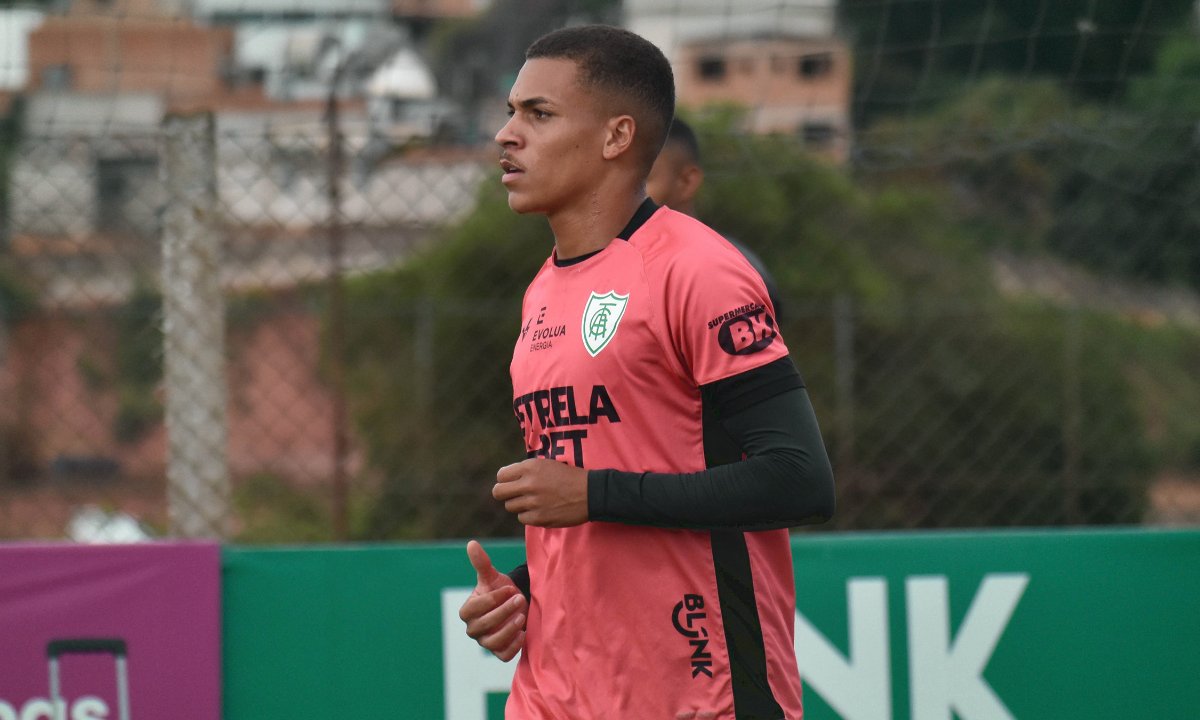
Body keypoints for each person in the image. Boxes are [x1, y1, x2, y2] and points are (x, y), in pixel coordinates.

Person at [458, 24, 835, 720]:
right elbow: (598, 487)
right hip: (555, 695)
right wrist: (524, 589)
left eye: (538, 114)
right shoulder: (541, 289)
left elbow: (799, 479)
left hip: (698, 691)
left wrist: (596, 494)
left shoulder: (700, 271)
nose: (507, 135)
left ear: (615, 137)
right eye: (512, 112)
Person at [646, 117, 785, 323]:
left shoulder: (733, 273)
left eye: (644, 180)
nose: (625, 191)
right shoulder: (609, 263)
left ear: (687, 181)